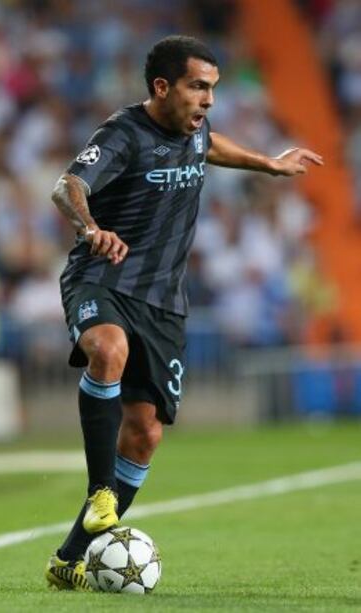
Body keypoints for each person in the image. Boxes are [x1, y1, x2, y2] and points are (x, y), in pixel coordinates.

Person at [45, 35, 323, 589]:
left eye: (213, 88)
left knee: (145, 433)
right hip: (103, 276)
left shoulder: (195, 134)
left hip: (165, 303)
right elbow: (67, 184)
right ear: (162, 87)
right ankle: (102, 491)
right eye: (199, 87)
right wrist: (91, 228)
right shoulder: (124, 134)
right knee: (108, 349)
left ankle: (69, 557)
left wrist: (268, 164)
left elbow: (213, 146)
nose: (208, 100)